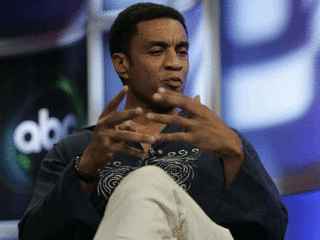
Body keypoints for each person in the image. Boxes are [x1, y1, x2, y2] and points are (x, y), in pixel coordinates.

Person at [18, 3, 288, 240]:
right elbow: (34, 235)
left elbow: (271, 231)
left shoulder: (223, 142)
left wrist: (234, 153)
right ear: (122, 64)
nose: (175, 63)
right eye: (157, 51)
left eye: (181, 51)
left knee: (146, 182)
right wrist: (86, 168)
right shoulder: (75, 150)